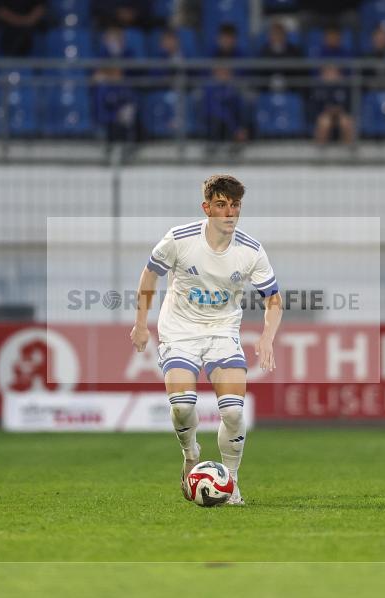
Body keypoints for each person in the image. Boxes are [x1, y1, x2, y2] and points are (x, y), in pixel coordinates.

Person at [130, 174, 283, 507]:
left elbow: (273, 298)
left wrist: (268, 337)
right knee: (182, 406)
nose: (229, 212)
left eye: (235, 205)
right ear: (207, 208)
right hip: (179, 331)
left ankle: (232, 483)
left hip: (222, 332)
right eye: (221, 205)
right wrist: (141, 324)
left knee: (234, 413)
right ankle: (190, 453)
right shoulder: (179, 239)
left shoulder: (251, 250)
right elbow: (149, 274)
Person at [310, 65, 355, 144]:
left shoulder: (345, 88)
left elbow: (349, 105)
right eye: (328, 72)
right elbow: (315, 106)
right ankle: (320, 149)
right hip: (325, 114)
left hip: (341, 114)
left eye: (333, 72)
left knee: (346, 122)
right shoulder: (318, 88)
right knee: (324, 123)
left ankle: (349, 149)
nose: (331, 76)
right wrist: (327, 110)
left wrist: (339, 110)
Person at [258, 21, 303, 91]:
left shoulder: (293, 50)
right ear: (270, 36)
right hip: (268, 86)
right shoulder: (263, 51)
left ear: (284, 35)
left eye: (279, 33)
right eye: (274, 34)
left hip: (290, 85)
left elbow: (298, 70)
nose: (277, 37)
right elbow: (260, 71)